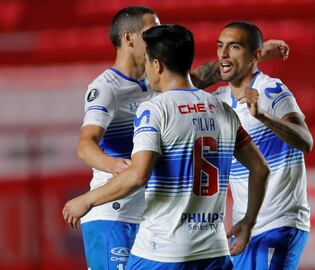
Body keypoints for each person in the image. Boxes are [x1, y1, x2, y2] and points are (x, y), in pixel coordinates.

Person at [76, 6, 289, 269]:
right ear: (129, 39)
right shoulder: (107, 88)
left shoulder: (158, 86)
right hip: (114, 210)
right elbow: (86, 145)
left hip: (152, 217)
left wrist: (254, 55)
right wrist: (117, 166)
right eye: (150, 31)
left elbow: (194, 76)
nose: (157, 35)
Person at [213, 21, 314, 269]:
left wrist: (263, 117)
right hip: (243, 225)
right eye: (220, 46)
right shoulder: (218, 100)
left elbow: (305, 140)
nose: (223, 54)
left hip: (279, 222)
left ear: (255, 55)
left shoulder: (270, 89)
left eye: (234, 47)